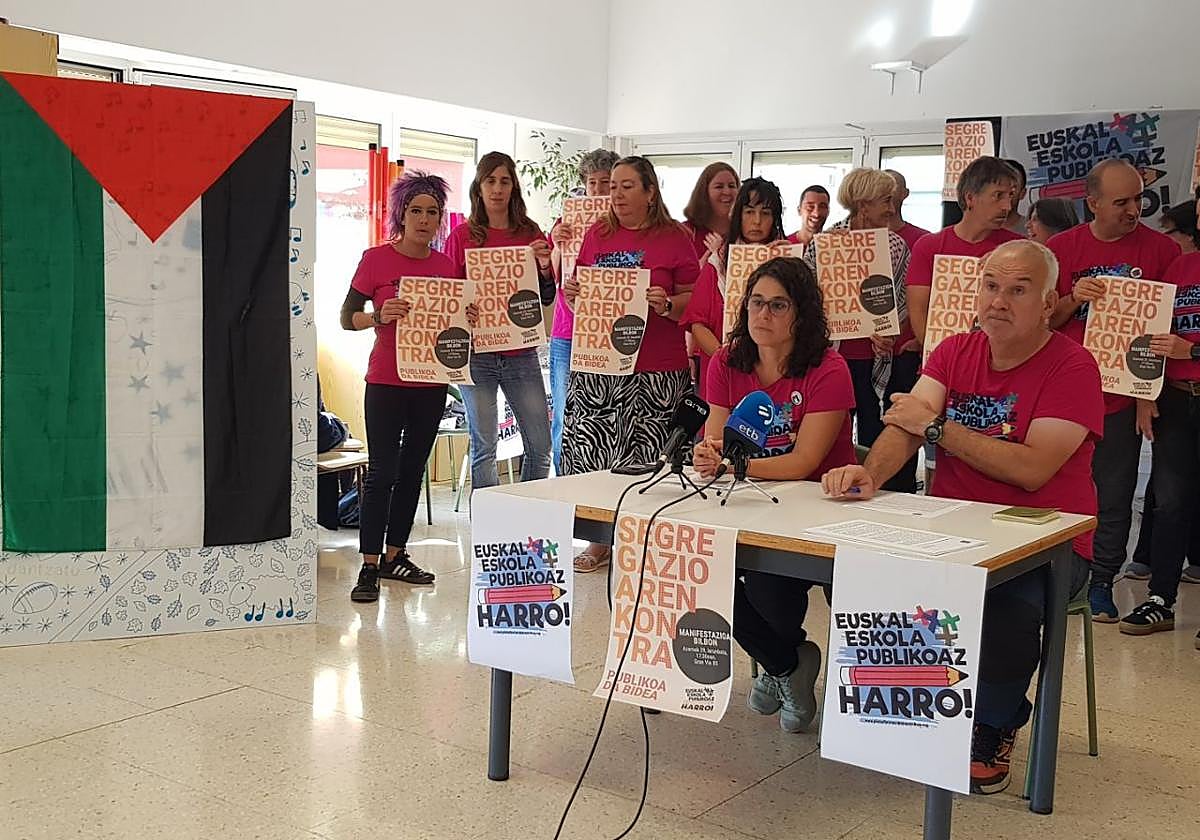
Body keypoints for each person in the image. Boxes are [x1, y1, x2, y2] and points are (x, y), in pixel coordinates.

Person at [822, 238, 1103, 794]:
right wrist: (872, 474)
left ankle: (995, 723)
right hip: (953, 530)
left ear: (1048, 303)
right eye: (991, 286)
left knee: (1005, 607)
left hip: (1050, 540)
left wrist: (938, 427)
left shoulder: (1074, 366)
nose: (999, 301)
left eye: (1018, 290)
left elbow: (1031, 470)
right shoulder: (953, 350)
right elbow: (905, 422)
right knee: (866, 579)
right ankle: (908, 712)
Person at [692, 257, 855, 732]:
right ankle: (788, 665)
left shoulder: (829, 368)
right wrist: (709, 457)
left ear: (801, 314)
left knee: (769, 585)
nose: (762, 315)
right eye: (756, 303)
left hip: (818, 512)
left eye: (778, 305)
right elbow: (718, 442)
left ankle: (778, 663)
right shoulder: (726, 361)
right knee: (702, 568)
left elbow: (804, 464)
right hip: (747, 505)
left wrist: (732, 464)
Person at [1047, 158, 1181, 621]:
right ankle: (1050, 572)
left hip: (1124, 393)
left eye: (1138, 199)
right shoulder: (1062, 248)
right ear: (1093, 203)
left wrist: (1147, 397)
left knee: (1114, 491)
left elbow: (1164, 328)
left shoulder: (1162, 251)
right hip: (1063, 392)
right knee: (1051, 485)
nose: (1133, 210)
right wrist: (1072, 298)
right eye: (1121, 202)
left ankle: (1101, 580)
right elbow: (1042, 319)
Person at [561, 156, 699, 572]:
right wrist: (573, 293)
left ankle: (644, 540)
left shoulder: (675, 238)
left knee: (651, 455)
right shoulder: (597, 235)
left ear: (649, 191)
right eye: (613, 186)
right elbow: (582, 293)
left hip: (657, 368)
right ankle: (599, 540)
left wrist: (670, 303)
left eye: (625, 186)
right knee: (594, 453)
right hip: (599, 365)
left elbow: (695, 297)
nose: (615, 194)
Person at [340, 172, 457, 602]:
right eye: (416, 211)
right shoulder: (375, 260)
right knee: (382, 473)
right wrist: (378, 316)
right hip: (386, 380)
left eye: (432, 212)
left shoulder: (446, 267)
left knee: (411, 472)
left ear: (440, 219)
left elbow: (453, 325)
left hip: (430, 381)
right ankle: (368, 564)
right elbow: (345, 317)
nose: (424, 220)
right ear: (401, 215)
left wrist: (469, 317)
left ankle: (395, 555)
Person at [445, 152, 557, 493]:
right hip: (476, 354)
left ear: (513, 188)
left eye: (504, 181)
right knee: (485, 449)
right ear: (479, 187)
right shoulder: (462, 236)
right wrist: (464, 310)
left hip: (520, 354)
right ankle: (488, 531)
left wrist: (542, 265)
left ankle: (524, 516)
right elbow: (451, 296)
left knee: (540, 447)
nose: (497, 189)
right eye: (490, 181)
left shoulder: (530, 232)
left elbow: (547, 295)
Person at [804, 168, 917, 491]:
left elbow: (903, 298)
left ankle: (876, 490)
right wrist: (832, 258)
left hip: (876, 357)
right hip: (831, 356)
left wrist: (891, 331)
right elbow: (808, 298)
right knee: (832, 428)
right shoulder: (824, 244)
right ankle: (829, 485)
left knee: (875, 425)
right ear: (863, 205)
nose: (891, 208)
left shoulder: (895, 246)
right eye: (885, 201)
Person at [1121, 188, 1200, 641]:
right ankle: (1160, 599)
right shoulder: (1181, 265)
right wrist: (1144, 393)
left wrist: (1194, 349)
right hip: (1173, 396)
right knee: (1169, 502)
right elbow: (1153, 331)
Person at [680, 177, 787, 400]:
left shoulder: (789, 262)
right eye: (749, 211)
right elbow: (697, 324)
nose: (757, 221)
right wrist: (727, 360)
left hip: (777, 375)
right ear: (738, 215)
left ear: (775, 219)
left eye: (766, 213)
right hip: (724, 375)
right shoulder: (716, 263)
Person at [548, 148, 619, 474]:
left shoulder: (625, 227)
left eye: (607, 182)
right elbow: (554, 276)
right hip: (567, 331)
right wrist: (557, 243)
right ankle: (562, 479)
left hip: (607, 333)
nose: (600, 190)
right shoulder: (568, 221)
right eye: (593, 182)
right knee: (564, 413)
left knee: (606, 413)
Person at [907, 156, 1024, 346]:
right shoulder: (929, 246)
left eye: (1010, 196)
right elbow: (919, 313)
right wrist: (936, 357)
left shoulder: (1018, 249)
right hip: (942, 362)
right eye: (998, 196)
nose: (1007, 206)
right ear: (970, 198)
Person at [682, 161, 739, 266]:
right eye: (719, 187)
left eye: (731, 186)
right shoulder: (686, 232)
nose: (727, 192)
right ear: (704, 192)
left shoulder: (744, 232)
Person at [884, 169, 930, 251]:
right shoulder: (864, 239)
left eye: (892, 187)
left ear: (905, 193)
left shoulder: (922, 238)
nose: (885, 193)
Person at [1003, 158, 1029, 234]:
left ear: (1022, 193)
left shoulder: (1032, 231)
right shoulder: (978, 230)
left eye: (1013, 188)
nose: (1006, 193)